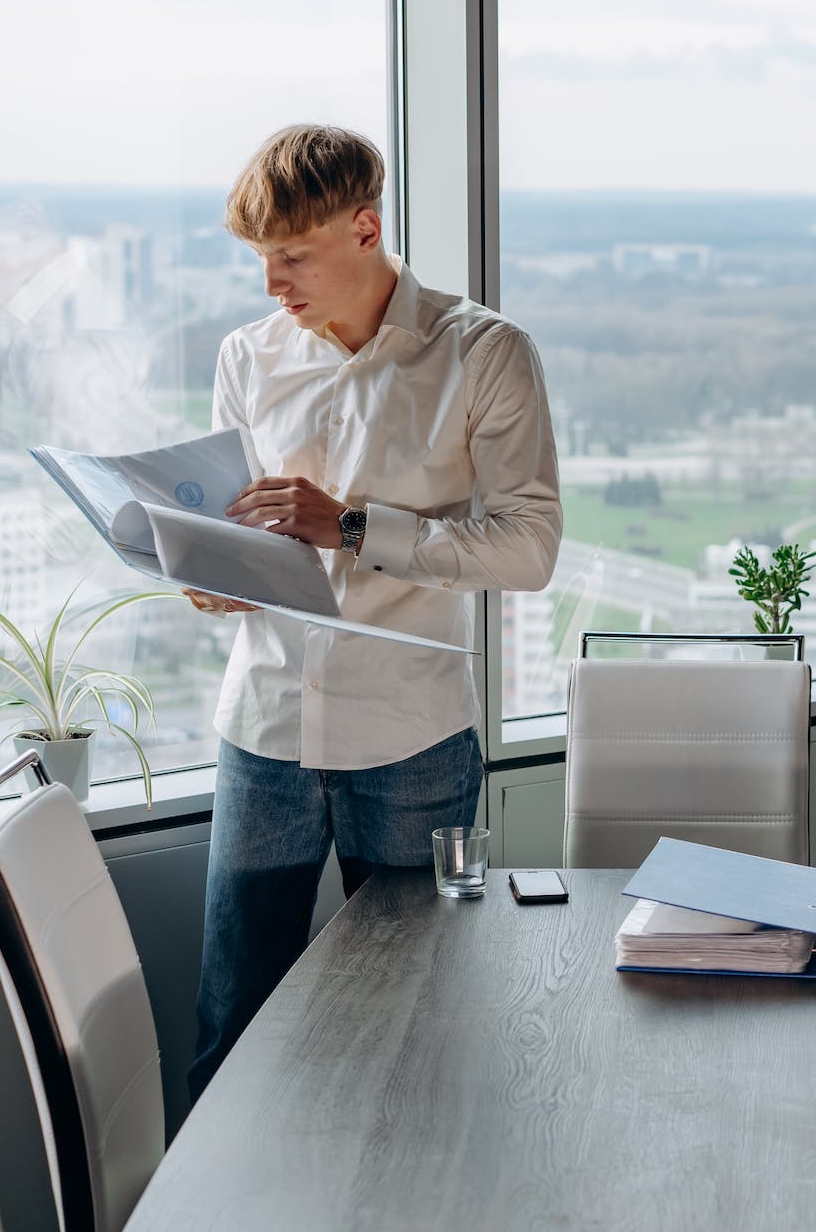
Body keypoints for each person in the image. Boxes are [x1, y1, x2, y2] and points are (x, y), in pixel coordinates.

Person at [186, 125, 561, 1100]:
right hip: (262, 727)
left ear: (364, 228)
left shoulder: (484, 353)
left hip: (411, 738)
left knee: (420, 1023)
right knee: (231, 1020)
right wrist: (214, 571)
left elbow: (528, 548)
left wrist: (353, 524)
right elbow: (252, 533)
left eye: (292, 257)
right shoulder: (247, 356)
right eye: (260, 260)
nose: (272, 285)